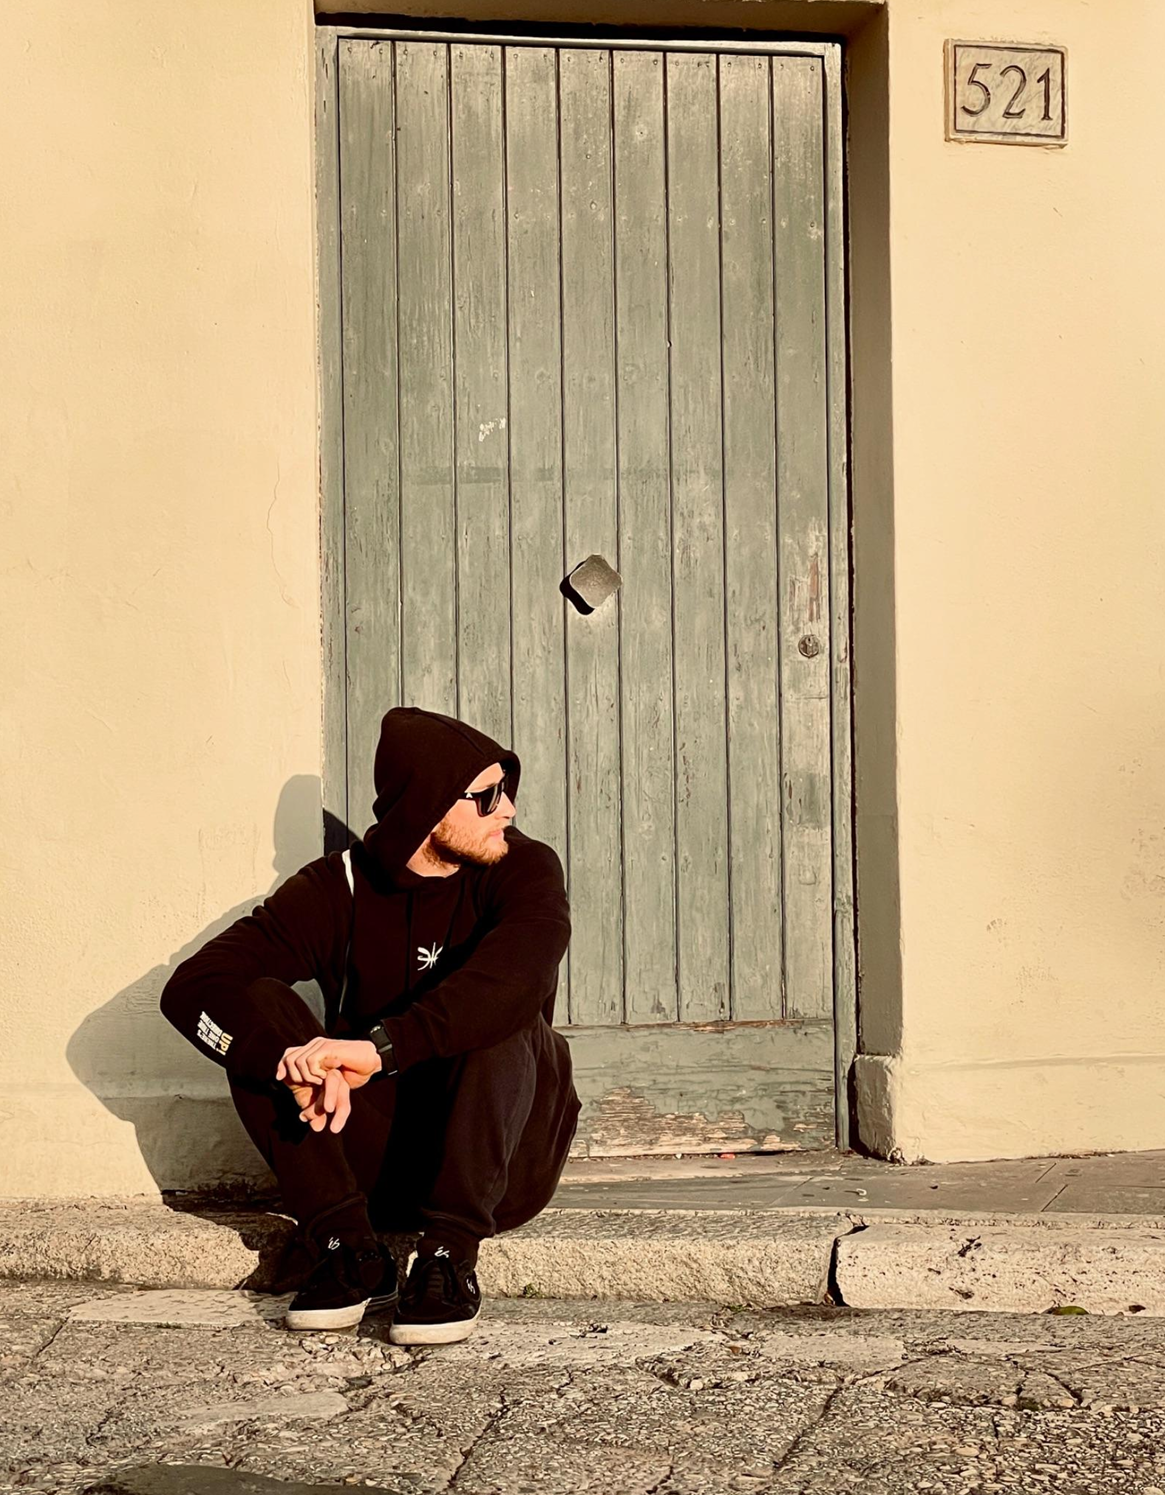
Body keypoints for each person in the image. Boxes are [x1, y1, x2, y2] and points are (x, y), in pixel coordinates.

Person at [160, 707, 580, 1341]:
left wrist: (378, 1049)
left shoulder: (524, 868)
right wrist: (286, 1063)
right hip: (372, 1163)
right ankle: (346, 1247)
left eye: (506, 789)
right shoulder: (339, 887)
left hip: (500, 1164)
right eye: (487, 796)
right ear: (427, 806)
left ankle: (448, 1256)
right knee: (260, 1012)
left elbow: (515, 980)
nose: (509, 809)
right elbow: (192, 987)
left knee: (502, 1010)